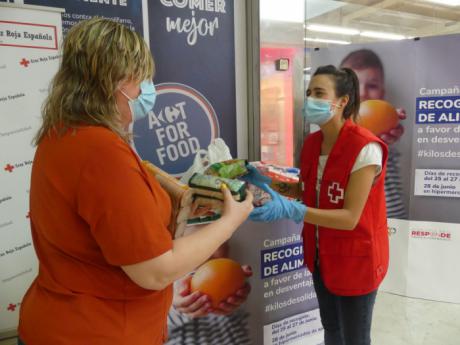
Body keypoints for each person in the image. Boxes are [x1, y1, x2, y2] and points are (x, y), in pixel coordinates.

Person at [18, 18, 253, 345]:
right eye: (141, 78)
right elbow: (155, 271)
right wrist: (230, 221)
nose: (147, 88)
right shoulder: (102, 153)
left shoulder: (61, 134)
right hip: (99, 331)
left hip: (58, 319)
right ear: (115, 81)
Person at [249, 65, 389, 345]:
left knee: (355, 337)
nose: (310, 99)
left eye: (319, 93)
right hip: (321, 256)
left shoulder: (365, 148)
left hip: (356, 261)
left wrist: (293, 210)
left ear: (342, 101)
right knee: (331, 329)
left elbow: (350, 217)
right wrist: (265, 180)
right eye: (309, 92)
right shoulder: (313, 143)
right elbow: (306, 190)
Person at [340, 49, 407, 219]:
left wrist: (389, 124)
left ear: (382, 94)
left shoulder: (386, 125)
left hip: (394, 217)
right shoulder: (334, 130)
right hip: (358, 222)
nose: (362, 93)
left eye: (372, 85)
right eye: (354, 86)